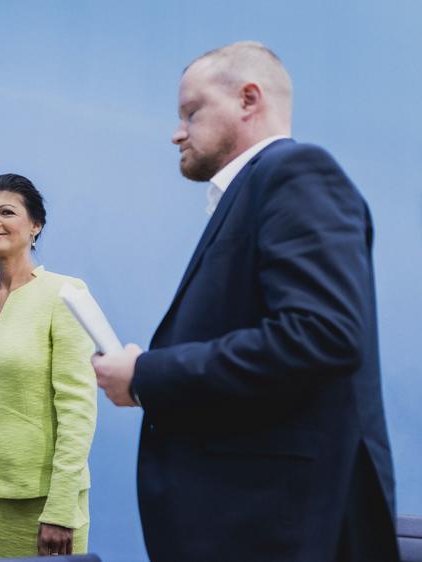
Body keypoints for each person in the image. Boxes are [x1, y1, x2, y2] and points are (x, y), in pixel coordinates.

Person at [91, 41, 398, 561]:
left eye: (191, 112)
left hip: (284, 533)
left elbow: (319, 335)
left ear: (249, 100)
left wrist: (146, 375)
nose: (177, 131)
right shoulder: (257, 190)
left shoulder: (296, 171)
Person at [0, 174, 97, 559]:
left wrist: (61, 509)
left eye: (6, 212)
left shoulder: (66, 294)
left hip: (42, 506)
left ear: (35, 225)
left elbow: (78, 411)